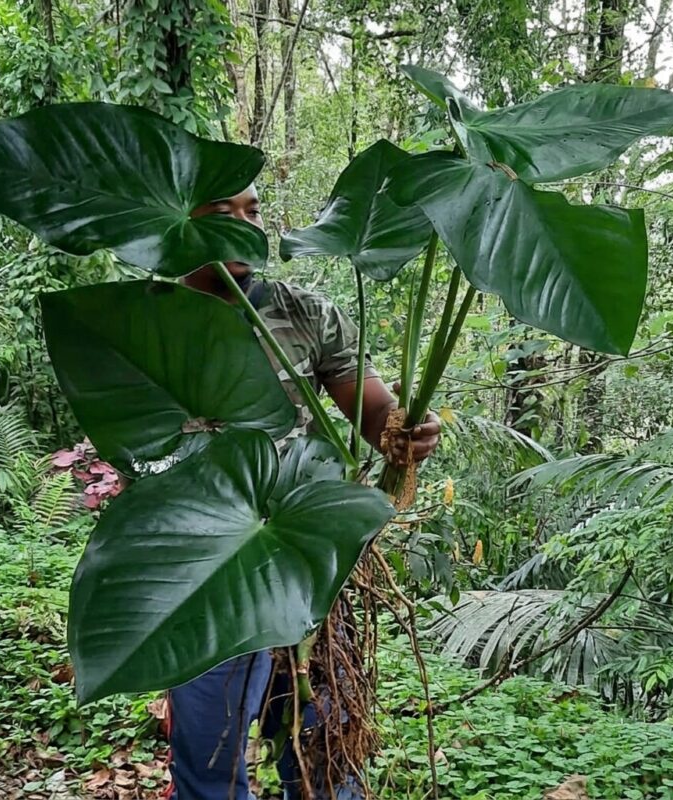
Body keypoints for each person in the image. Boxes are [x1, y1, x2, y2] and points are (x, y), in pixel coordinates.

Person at [165, 183, 440, 800]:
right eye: (221, 211)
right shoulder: (151, 321)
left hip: (305, 564)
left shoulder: (305, 313)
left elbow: (373, 415)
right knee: (210, 765)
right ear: (183, 220)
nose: (242, 224)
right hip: (205, 573)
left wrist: (406, 431)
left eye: (252, 211)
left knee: (327, 754)